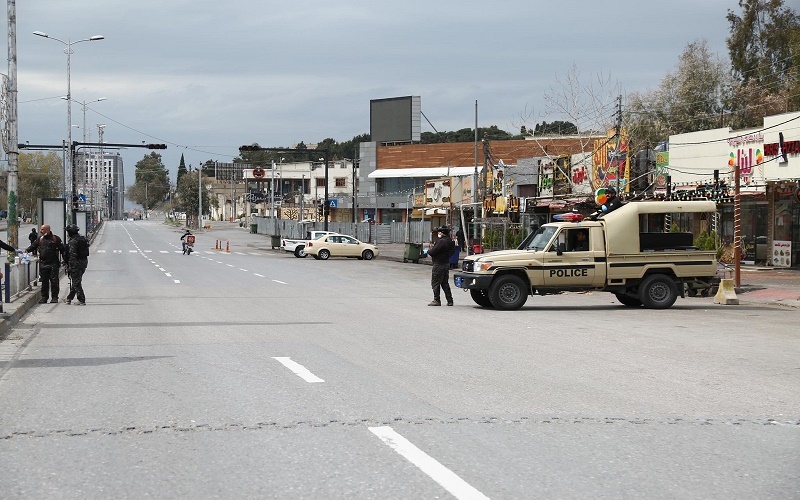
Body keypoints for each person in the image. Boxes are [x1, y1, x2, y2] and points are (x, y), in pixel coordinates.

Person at [25, 224, 65, 304]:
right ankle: (44, 297)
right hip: (43, 263)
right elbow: (33, 246)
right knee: (44, 281)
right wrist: (26, 251)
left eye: (42, 229)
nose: (41, 231)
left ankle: (54, 297)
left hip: (53, 263)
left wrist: (66, 261)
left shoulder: (55, 239)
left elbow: (62, 250)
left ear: (48, 230)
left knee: (54, 281)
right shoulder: (40, 239)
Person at [425, 226, 455, 306]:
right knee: (445, 283)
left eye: (439, 232)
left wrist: (428, 251)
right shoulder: (450, 241)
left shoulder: (442, 242)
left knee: (435, 282)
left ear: (442, 233)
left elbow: (433, 251)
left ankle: (436, 300)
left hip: (439, 264)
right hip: (446, 263)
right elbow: (452, 251)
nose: (438, 233)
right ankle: (450, 300)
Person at [63, 224, 89, 305]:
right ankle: (69, 298)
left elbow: (72, 254)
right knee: (76, 280)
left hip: (76, 263)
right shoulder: (82, 239)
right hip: (83, 262)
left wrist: (70, 266)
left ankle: (81, 299)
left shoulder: (73, 241)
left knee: (76, 282)